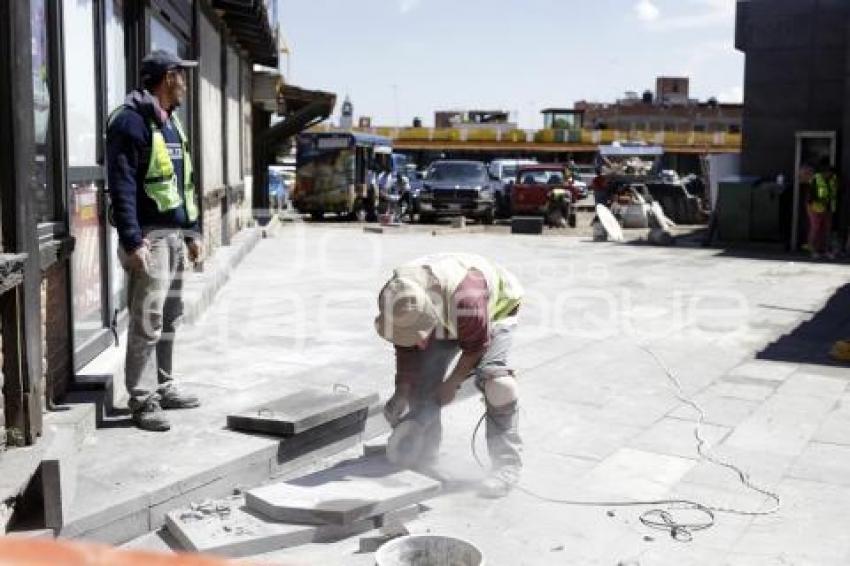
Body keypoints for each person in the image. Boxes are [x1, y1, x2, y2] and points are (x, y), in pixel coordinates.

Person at [106, 50, 203, 431]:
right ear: (168, 78)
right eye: (182, 75)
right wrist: (132, 241)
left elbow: (184, 183)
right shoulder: (129, 122)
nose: (186, 83)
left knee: (169, 318)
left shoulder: (170, 122)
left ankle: (163, 386)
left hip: (174, 237)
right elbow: (122, 186)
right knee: (147, 320)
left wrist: (193, 232)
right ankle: (143, 401)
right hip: (149, 239)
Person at [375, 253, 524, 498]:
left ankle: (506, 467)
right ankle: (425, 455)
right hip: (446, 312)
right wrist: (402, 391)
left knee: (498, 384)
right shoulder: (396, 294)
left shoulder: (468, 300)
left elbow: (476, 346)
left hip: (494, 312)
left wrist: (452, 384)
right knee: (420, 386)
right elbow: (405, 343)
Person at [807, 163, 838, 259]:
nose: (830, 175)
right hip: (815, 207)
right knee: (816, 228)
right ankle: (813, 250)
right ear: (824, 172)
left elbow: (835, 192)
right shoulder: (816, 179)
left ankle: (824, 250)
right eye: (829, 173)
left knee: (826, 230)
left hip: (828, 208)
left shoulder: (833, 179)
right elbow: (810, 196)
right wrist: (819, 202)